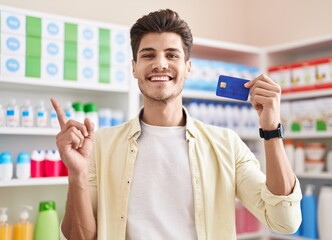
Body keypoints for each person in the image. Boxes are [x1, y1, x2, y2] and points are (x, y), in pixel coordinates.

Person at [52, 9, 302, 240]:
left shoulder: (226, 145)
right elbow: (79, 237)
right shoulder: (102, 145)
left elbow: (284, 221)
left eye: (172, 55)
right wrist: (77, 174)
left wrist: (272, 131)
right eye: (148, 55)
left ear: (188, 67)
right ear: (134, 68)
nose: (160, 63)